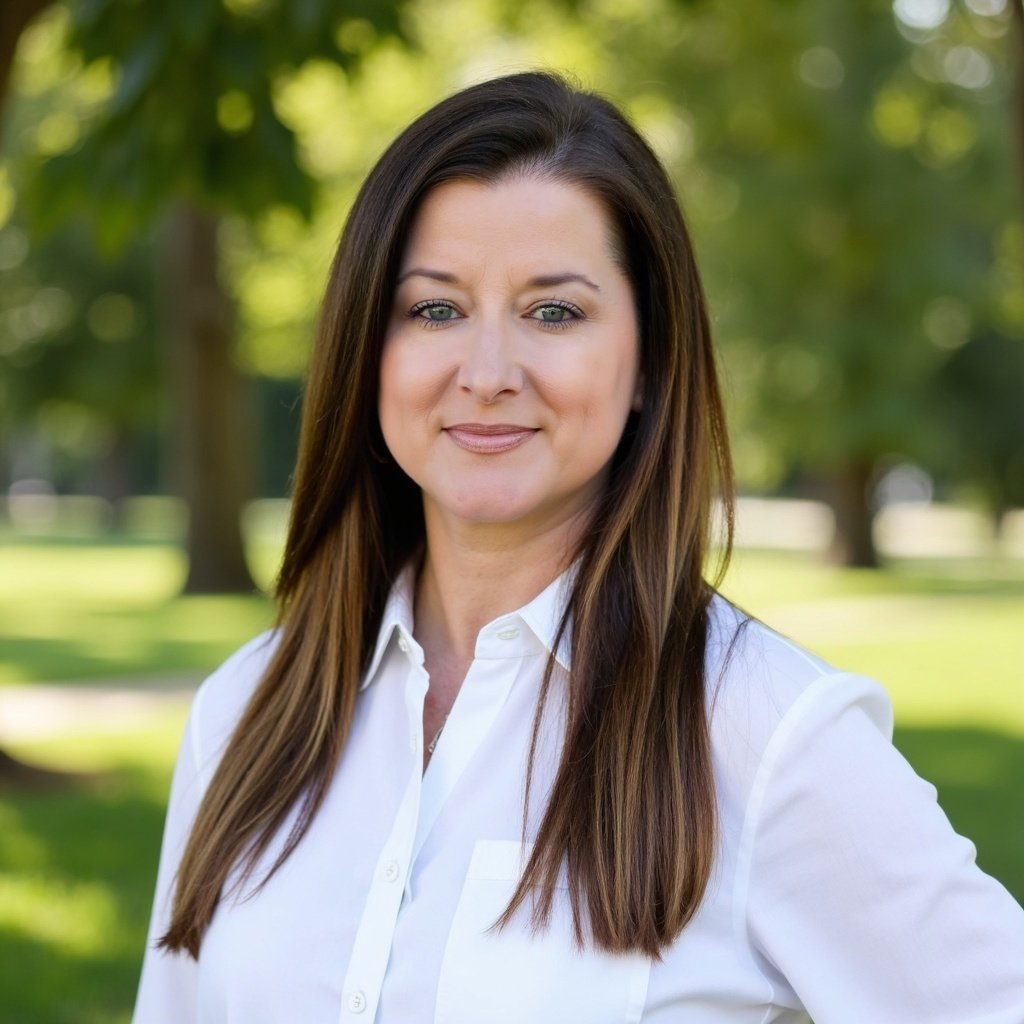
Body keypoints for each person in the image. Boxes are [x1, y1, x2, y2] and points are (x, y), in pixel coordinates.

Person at [133, 72, 1024, 1024]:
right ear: (368, 349)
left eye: (553, 312)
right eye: (434, 309)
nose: (485, 374)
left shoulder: (764, 735)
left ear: (649, 364)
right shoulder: (244, 712)